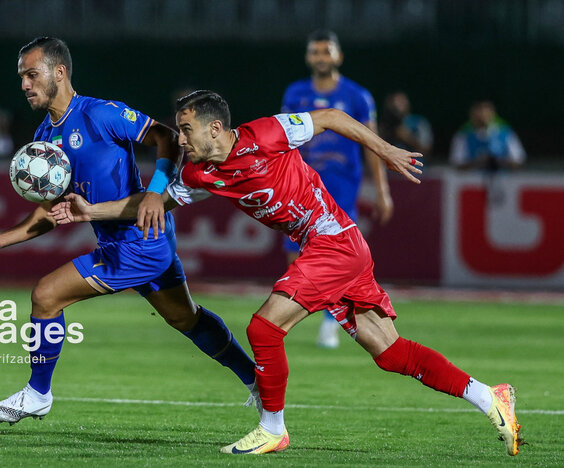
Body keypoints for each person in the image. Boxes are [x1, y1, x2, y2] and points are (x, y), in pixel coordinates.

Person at [51, 91, 523, 457]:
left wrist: (385, 151)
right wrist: (91, 210)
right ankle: (490, 396)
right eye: (178, 131)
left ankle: (273, 429)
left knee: (264, 326)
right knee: (390, 351)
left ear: (216, 128)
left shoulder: (266, 134)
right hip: (336, 249)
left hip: (334, 242)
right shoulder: (200, 175)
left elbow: (332, 119)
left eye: (186, 130)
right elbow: (152, 203)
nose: (180, 140)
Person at [0, 39, 260, 426]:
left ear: (60, 72)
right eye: (22, 76)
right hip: (135, 240)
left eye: (31, 75)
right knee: (185, 319)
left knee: (46, 296)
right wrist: (0, 239)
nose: (24, 84)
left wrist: (155, 194)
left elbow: (166, 137)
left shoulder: (101, 114)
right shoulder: (45, 137)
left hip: (139, 241)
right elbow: (56, 211)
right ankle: (258, 381)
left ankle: (37, 394)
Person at [280, 30, 393, 349]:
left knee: (338, 256)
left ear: (338, 56)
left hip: (341, 187)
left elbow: (372, 146)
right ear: (307, 57)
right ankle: (310, 313)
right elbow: (285, 139)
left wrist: (382, 189)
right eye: (315, 52)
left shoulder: (358, 97)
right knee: (296, 256)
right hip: (302, 186)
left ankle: (331, 323)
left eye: (326, 52)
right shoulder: (295, 93)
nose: (320, 58)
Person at [449, 100, 525, 171]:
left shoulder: (505, 133)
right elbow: (457, 163)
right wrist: (478, 162)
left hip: (502, 179)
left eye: (486, 113)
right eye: (479, 113)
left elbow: (518, 160)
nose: (483, 116)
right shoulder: (463, 134)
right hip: (472, 180)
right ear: (472, 115)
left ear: (493, 114)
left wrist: (498, 161)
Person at [379, 91, 433, 156]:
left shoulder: (419, 122)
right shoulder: (385, 125)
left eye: (401, 102)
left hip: (415, 164)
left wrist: (407, 137)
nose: (397, 105)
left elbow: (426, 149)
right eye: (395, 102)